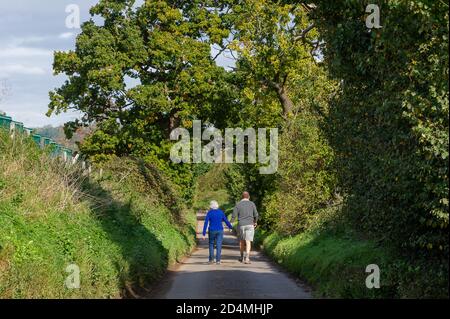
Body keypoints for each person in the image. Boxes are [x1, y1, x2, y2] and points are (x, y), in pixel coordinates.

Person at [231, 191, 258, 264]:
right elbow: (256, 214)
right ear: (249, 197)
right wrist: (255, 222)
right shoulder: (252, 204)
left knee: (241, 241)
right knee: (248, 241)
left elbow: (234, 215)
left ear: (242, 197)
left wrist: (231, 223)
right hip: (250, 224)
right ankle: (247, 258)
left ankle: (242, 257)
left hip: (241, 225)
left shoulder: (238, 204)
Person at [202, 200, 233, 265]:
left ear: (211, 206)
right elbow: (226, 220)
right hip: (220, 231)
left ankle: (211, 260)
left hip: (212, 230)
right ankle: (218, 260)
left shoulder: (209, 213)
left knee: (211, 244)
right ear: (217, 206)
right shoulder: (221, 212)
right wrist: (230, 227)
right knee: (219, 245)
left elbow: (206, 223)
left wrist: (204, 233)